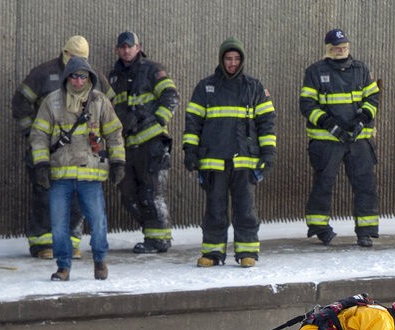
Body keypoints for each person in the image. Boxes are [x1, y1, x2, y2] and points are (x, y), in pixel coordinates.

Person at [29, 55, 125, 282]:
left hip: (90, 176)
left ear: (89, 77)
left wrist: (118, 162)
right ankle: (63, 267)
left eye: (83, 76)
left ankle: (100, 261)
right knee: (59, 226)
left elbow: (114, 134)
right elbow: (39, 135)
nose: (79, 81)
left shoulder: (100, 102)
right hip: (60, 174)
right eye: (74, 76)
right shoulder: (52, 102)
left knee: (98, 222)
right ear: (67, 77)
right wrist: (41, 164)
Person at [182, 37, 275, 268]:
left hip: (245, 162)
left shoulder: (254, 88)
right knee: (215, 209)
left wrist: (268, 154)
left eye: (236, 59)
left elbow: (267, 124)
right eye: (228, 59)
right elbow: (193, 123)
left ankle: (247, 252)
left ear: (242, 61)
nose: (232, 63)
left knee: (245, 209)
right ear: (221, 60)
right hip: (214, 162)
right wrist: (190, 151)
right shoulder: (205, 88)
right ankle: (213, 252)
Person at [12, 35, 104, 259]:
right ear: (65, 53)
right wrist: (32, 133)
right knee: (44, 194)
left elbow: (109, 106)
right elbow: (20, 103)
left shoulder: (95, 77)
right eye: (73, 57)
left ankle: (71, 243)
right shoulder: (43, 74)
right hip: (49, 149)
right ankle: (43, 243)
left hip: (80, 152)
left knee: (75, 198)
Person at [300, 28, 381, 248]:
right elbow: (307, 104)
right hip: (327, 141)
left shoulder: (361, 70)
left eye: (344, 47)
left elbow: (373, 97)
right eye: (336, 48)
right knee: (323, 184)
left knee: (365, 184)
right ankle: (319, 228)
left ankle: (366, 231)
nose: (341, 51)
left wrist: (363, 118)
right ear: (328, 49)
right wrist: (328, 124)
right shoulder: (315, 71)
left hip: (358, 140)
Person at [108, 31, 179, 254]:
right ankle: (151, 232)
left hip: (151, 145)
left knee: (151, 194)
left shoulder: (152, 70)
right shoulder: (113, 77)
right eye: (122, 47)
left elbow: (171, 96)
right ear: (117, 50)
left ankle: (159, 240)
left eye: (131, 46)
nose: (126, 50)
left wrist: (154, 120)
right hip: (127, 146)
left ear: (139, 48)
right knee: (129, 195)